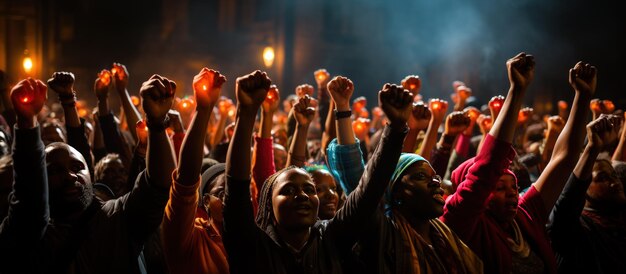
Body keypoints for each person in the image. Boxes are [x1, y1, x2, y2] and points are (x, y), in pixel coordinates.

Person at [222, 70, 412, 273]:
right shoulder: (252, 245)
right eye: (288, 191)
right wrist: (247, 112)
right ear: (268, 203)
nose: (302, 195)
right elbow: (236, 188)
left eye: (309, 189)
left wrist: (395, 129)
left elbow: (369, 190)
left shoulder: (332, 238)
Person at [0, 74, 177, 273]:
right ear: (40, 180)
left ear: (90, 174)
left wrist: (157, 123)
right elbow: (28, 206)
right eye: (55, 170)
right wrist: (26, 123)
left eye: (77, 168)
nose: (69, 176)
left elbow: (159, 186)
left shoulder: (119, 217)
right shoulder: (29, 236)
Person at [441, 56, 595, 274]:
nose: (513, 194)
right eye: (499, 188)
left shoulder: (524, 215)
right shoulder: (461, 220)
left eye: (512, 186)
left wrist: (583, 96)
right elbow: (488, 165)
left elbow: (564, 159)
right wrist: (516, 90)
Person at [161, 68, 229, 274]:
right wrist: (203, 109)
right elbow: (184, 186)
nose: (229, 199)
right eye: (221, 193)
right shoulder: (191, 240)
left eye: (236, 192)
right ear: (205, 201)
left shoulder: (257, 237)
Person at [548, 114, 626, 273]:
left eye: (614, 176)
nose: (614, 183)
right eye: (602, 178)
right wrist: (592, 148)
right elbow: (566, 206)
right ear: (583, 188)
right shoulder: (576, 227)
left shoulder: (618, 218)